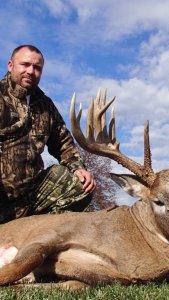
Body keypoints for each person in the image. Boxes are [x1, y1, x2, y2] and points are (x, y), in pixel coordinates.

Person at [0, 44, 96, 223]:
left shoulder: (46, 106)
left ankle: (42, 237)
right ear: (10, 65)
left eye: (37, 68)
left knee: (81, 185)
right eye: (25, 64)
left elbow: (63, 144)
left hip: (31, 195)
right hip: (3, 196)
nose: (30, 71)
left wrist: (78, 168)